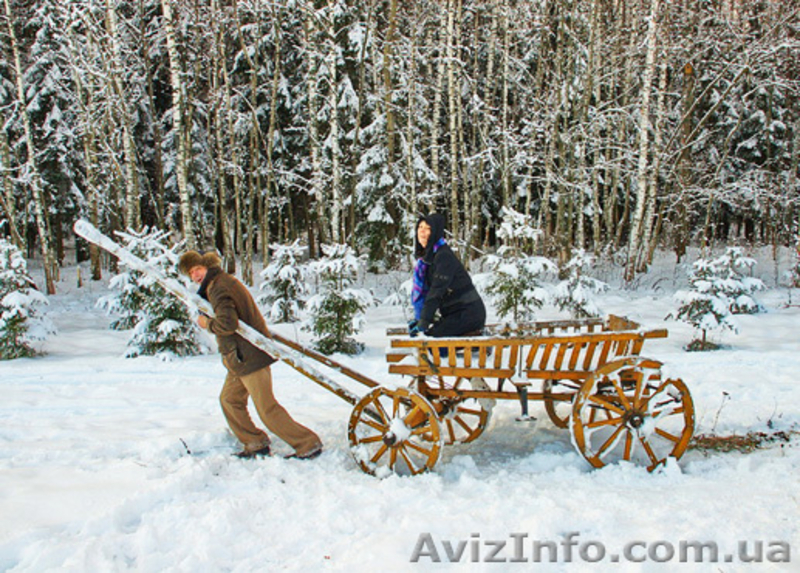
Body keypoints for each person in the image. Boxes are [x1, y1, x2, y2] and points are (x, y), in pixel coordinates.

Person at [178, 250, 322, 460]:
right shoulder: (217, 283)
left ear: (207, 266)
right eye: (191, 273)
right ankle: (255, 442)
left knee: (267, 409)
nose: (195, 275)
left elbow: (227, 323)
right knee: (229, 400)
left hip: (248, 356)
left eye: (197, 269)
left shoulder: (219, 286)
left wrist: (206, 323)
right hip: (238, 358)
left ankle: (307, 443)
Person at [408, 213, 486, 338]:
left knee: (431, 340)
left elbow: (436, 292)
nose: (422, 231)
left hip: (468, 314)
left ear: (435, 232)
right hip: (453, 314)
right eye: (420, 227)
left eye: (427, 228)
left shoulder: (443, 257)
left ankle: (476, 343)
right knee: (427, 337)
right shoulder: (428, 259)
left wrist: (424, 321)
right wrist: (420, 319)